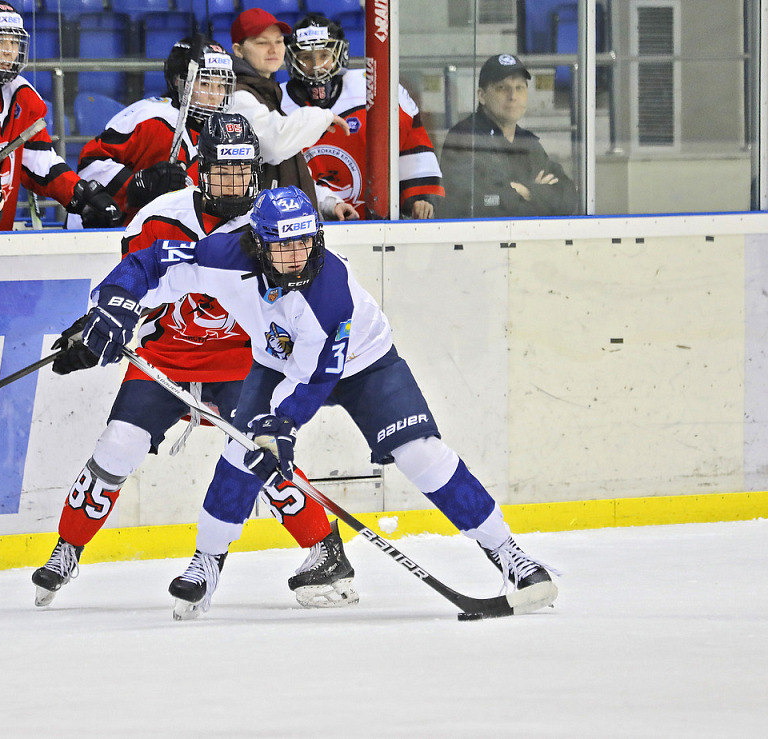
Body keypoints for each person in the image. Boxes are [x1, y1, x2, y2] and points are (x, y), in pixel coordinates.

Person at [63, 186, 559, 619]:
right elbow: (150, 263)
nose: (298, 256)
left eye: (305, 242)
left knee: (420, 453)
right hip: (276, 364)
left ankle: (509, 554)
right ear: (257, 244)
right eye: (283, 246)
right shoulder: (224, 255)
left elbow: (318, 376)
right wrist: (112, 308)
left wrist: (280, 427)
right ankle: (207, 562)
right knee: (242, 456)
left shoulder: (329, 294)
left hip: (365, 363)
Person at [34, 114, 358, 612]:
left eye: (242, 171)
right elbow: (133, 283)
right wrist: (99, 322)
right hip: (166, 357)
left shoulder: (274, 224)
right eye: (221, 171)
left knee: (259, 453)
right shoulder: (159, 217)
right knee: (117, 445)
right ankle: (67, 549)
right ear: (199, 170)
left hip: (244, 363)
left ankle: (320, 550)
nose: (233, 183)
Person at [0, 0, 121, 230]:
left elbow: (40, 164)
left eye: (14, 42)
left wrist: (81, 196)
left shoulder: (23, 95)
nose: (9, 51)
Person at [279, 14, 442, 221]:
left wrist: (419, 195)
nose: (317, 66)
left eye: (324, 55)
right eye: (306, 58)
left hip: (375, 222)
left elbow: (411, 141)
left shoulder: (373, 87)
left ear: (340, 54)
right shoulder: (277, 101)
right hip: (303, 226)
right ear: (293, 59)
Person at [65, 35, 236, 227]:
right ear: (178, 81)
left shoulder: (224, 132)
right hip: (115, 235)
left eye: (221, 85)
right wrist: (137, 185)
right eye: (205, 84)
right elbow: (89, 165)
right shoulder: (151, 118)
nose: (215, 96)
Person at [227, 7, 350, 208]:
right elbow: (273, 145)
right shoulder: (237, 96)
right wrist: (321, 117)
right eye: (262, 43)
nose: (273, 49)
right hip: (261, 223)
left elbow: (289, 169)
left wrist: (328, 203)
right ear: (238, 50)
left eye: (278, 41)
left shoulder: (265, 92)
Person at [439, 54, 578, 218]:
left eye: (519, 88)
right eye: (502, 88)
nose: (513, 96)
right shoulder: (464, 138)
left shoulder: (528, 142)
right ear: (482, 96)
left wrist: (527, 191)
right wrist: (537, 196)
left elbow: (568, 197)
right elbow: (474, 204)